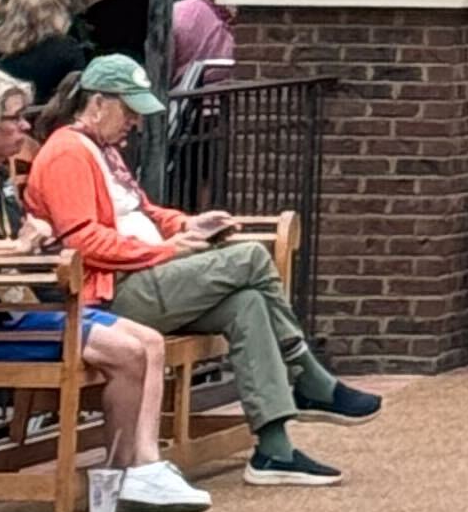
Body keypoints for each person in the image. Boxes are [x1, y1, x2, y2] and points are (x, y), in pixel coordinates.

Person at [25, 55, 380, 485]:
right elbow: (83, 241)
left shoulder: (101, 150)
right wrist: (165, 251)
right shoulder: (67, 152)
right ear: (98, 103)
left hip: (146, 275)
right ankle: (305, 372)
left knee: (246, 303)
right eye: (129, 110)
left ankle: (273, 450)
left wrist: (188, 225)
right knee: (250, 257)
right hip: (112, 292)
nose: (135, 122)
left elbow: (143, 212)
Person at [0, 70, 206, 512]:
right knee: (126, 352)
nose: (25, 127)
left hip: (26, 305)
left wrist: (33, 230)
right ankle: (124, 474)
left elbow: (20, 231)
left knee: (149, 341)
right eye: (13, 119)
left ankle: (136, 469)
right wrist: (13, 246)